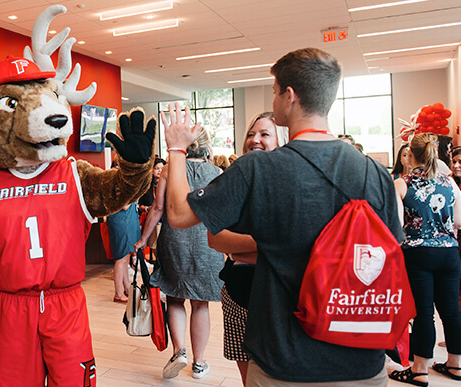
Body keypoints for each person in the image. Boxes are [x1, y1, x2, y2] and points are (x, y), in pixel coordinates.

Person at [162, 47, 403, 385]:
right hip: (363, 360)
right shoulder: (375, 173)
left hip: (285, 362)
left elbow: (178, 213)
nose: (274, 100)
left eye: (274, 91)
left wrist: (175, 148)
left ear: (289, 96)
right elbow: (390, 250)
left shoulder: (260, 169)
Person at [134, 126, 223, 380]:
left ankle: (178, 351)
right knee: (200, 303)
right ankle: (199, 363)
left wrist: (142, 239)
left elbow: (157, 208)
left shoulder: (171, 169)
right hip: (208, 244)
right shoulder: (217, 172)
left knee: (174, 296)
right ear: (207, 146)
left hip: (174, 241)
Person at [210, 111, 281, 384]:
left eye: (265, 134)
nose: (255, 140)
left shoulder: (290, 182)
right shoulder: (234, 181)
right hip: (239, 293)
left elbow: (298, 244)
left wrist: (240, 247)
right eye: (251, 134)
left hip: (281, 295)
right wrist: (268, 242)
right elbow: (215, 239)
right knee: (250, 379)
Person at [390, 133, 461, 386]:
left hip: (419, 254)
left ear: (409, 155)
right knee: (451, 311)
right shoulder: (449, 182)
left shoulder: (401, 183)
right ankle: (456, 364)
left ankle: (419, 370)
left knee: (423, 314)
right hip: (450, 252)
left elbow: (397, 226)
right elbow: (459, 220)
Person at [106, 162, 141, 303]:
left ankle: (127, 288)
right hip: (121, 220)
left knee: (125, 256)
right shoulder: (116, 182)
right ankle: (118, 293)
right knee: (120, 257)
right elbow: (125, 205)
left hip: (127, 220)